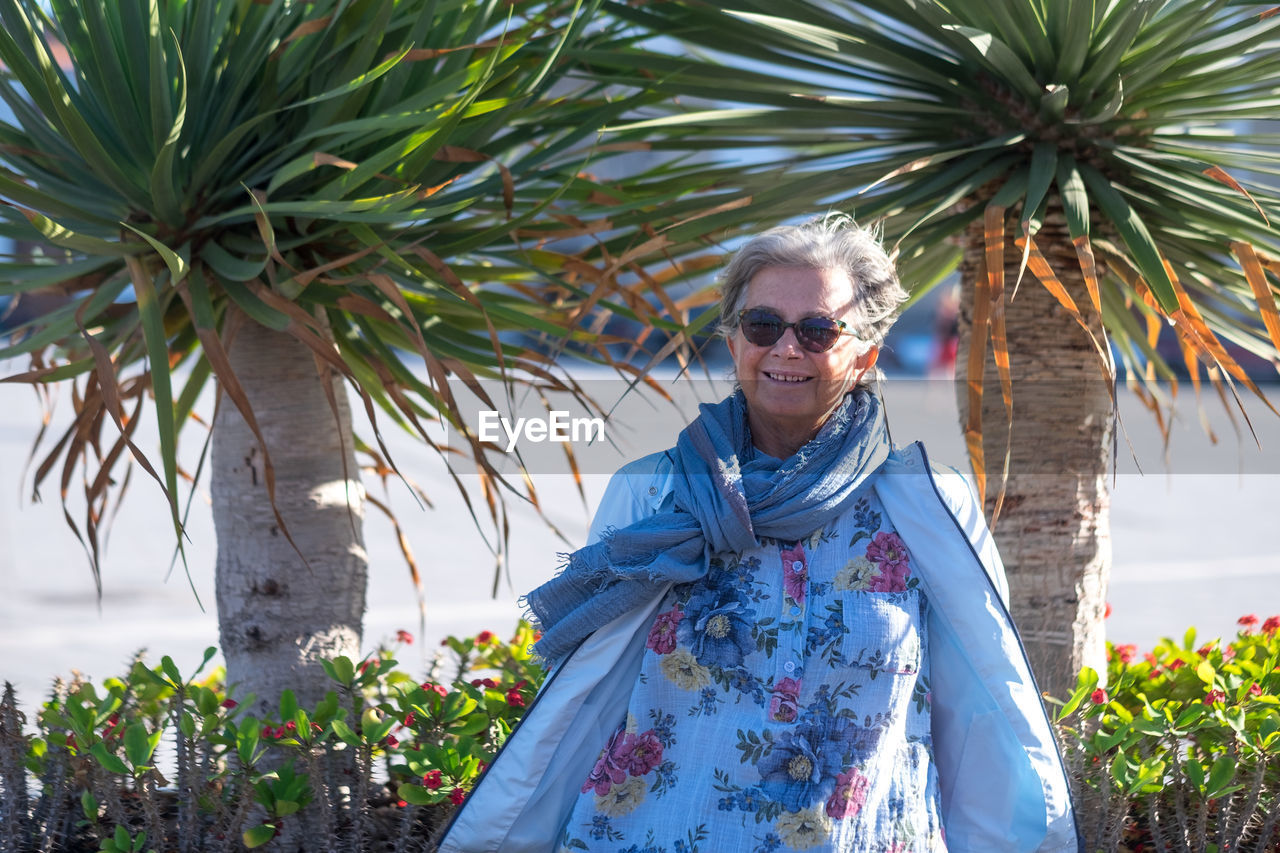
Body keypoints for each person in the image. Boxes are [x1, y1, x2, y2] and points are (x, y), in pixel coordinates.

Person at [437, 215, 1080, 853]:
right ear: (735, 340)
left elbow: (977, 715)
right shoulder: (655, 493)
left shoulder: (927, 505)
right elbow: (582, 697)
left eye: (819, 330)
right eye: (763, 325)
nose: (786, 349)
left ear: (865, 355)